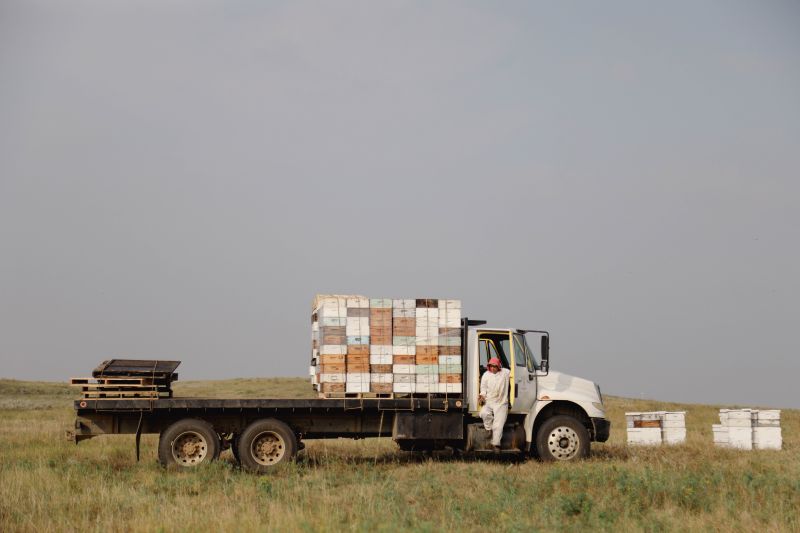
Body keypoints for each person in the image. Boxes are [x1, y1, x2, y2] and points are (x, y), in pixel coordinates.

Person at [479, 357, 510, 452]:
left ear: (498, 366)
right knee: (483, 413)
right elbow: (483, 388)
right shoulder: (486, 375)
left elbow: (516, 373)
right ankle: (489, 429)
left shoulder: (505, 373)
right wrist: (482, 396)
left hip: (501, 402)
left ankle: (495, 444)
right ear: (489, 366)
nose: (492, 368)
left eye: (494, 366)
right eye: (491, 366)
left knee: (499, 424)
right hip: (489, 401)